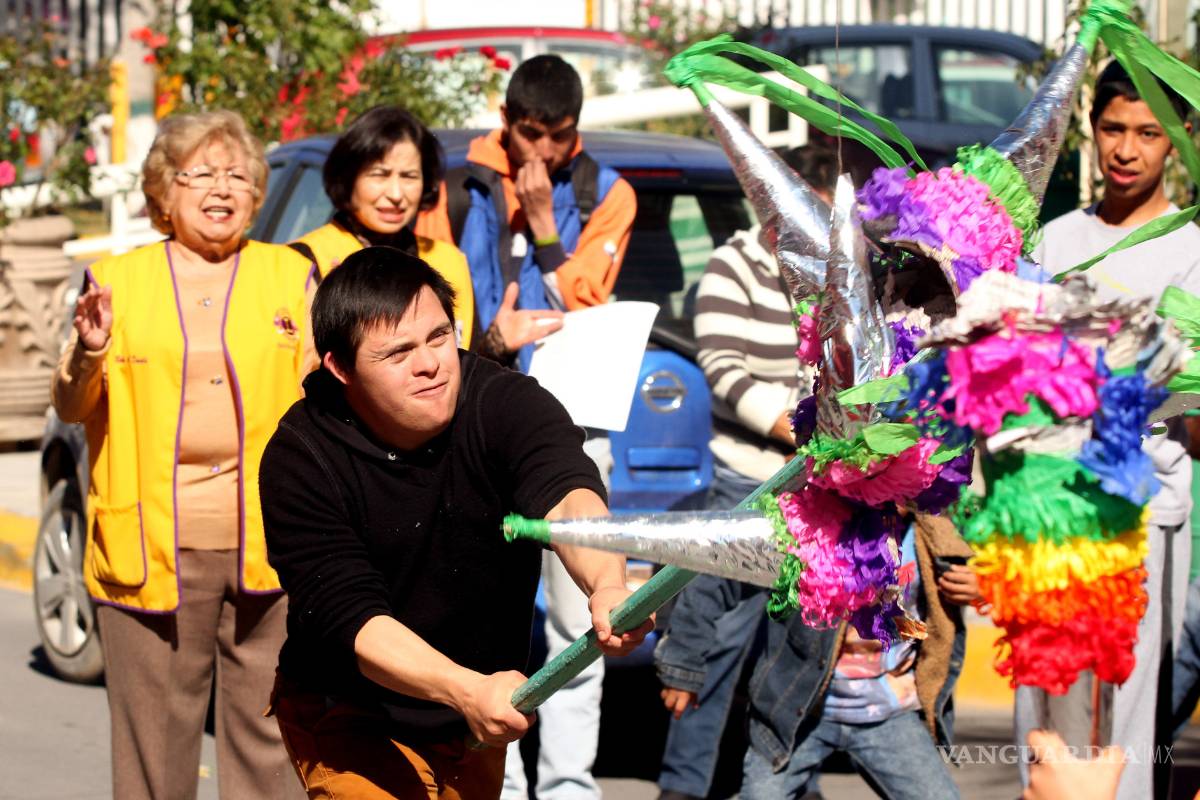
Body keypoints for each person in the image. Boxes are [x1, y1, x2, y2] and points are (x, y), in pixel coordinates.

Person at [259, 246, 653, 799]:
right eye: (398, 353)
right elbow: (351, 617)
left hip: (478, 711)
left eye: (439, 337)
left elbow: (566, 493)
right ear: (340, 368)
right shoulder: (301, 456)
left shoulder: (506, 402)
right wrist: (466, 691)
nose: (429, 364)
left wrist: (607, 583)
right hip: (352, 711)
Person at [50, 109, 314, 799]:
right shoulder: (115, 280)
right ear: (164, 192)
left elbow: (324, 398)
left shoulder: (291, 275)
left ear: (257, 191)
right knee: (154, 747)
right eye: (199, 174)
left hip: (272, 543)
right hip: (150, 545)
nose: (220, 188)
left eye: (236, 173)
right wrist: (92, 348)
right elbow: (72, 407)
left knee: (271, 740)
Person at [417, 54, 637, 799]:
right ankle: (499, 783)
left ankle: (570, 786)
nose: (542, 153)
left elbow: (588, 299)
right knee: (484, 619)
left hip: (571, 428)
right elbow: (426, 297)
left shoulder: (607, 194)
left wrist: (545, 225)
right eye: (530, 134)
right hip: (470, 424)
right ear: (504, 120)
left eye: (560, 138)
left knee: (581, 621)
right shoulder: (453, 184)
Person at [1017, 59, 1200, 800]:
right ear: (1091, 131)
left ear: (1181, 140)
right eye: (1114, 129)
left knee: (1125, 711)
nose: (1127, 149)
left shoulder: (1192, 247)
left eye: (1149, 133)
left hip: (1143, 508)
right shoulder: (1052, 243)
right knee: (1043, 708)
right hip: (1046, 508)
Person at [655, 145, 837, 800]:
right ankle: (684, 786)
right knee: (716, 640)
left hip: (821, 491)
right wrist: (793, 423)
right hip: (748, 481)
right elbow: (723, 365)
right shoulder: (734, 265)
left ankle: (787, 782)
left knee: (803, 646)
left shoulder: (836, 274)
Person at [657, 514, 979, 800]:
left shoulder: (933, 532)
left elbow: (1002, 562)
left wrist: (983, 586)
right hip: (795, 716)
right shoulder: (800, 529)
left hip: (890, 714)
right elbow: (716, 577)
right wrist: (683, 664)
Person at [293, 105, 562, 358]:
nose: (396, 194)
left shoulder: (448, 262)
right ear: (348, 178)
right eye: (379, 175)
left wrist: (496, 342)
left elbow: (462, 372)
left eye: (409, 176)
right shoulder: (305, 262)